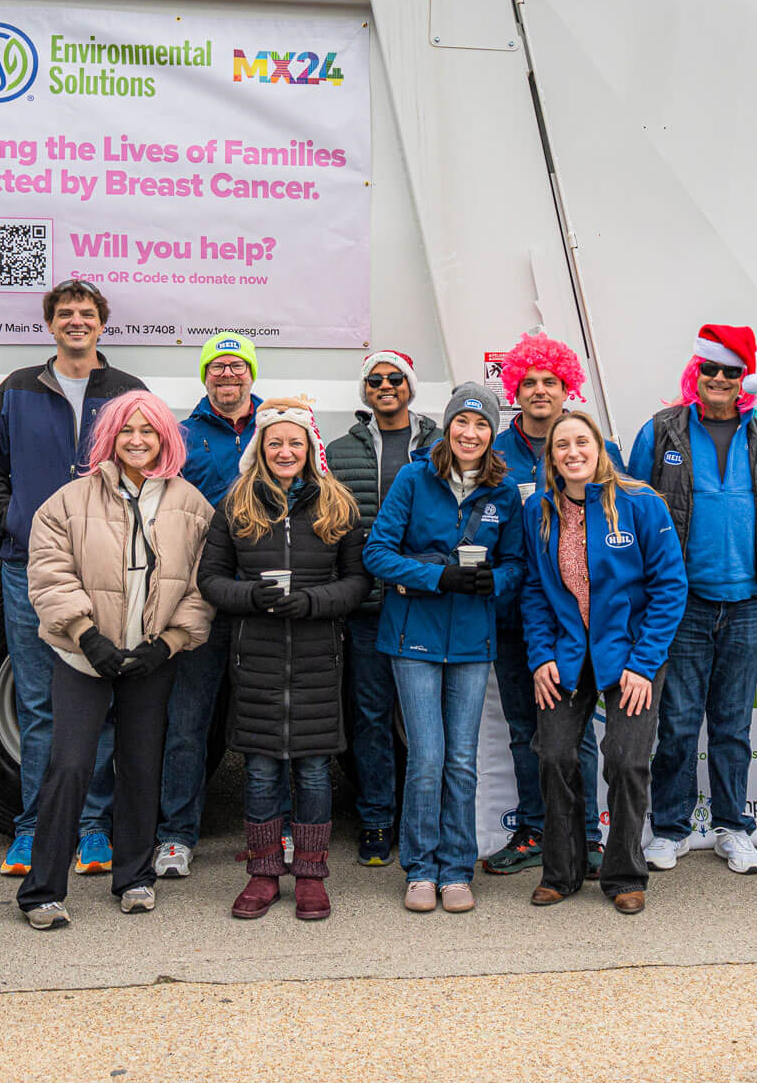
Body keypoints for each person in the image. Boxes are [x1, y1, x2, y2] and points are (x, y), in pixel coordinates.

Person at [16, 391, 214, 928]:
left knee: (141, 765)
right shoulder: (68, 502)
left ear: (165, 438)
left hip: (152, 658)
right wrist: (86, 636)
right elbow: (50, 573)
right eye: (126, 429)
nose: (137, 439)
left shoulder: (192, 505)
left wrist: (169, 642)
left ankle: (134, 877)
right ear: (110, 436)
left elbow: (203, 584)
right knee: (70, 764)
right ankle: (42, 890)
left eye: (148, 430)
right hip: (85, 658)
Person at [0, 280, 146, 879]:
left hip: (106, 569)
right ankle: (33, 828)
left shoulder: (127, 391)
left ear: (102, 324)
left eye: (87, 313)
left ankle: (93, 826)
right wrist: (15, 522)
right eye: (65, 313)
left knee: (100, 697)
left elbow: (151, 468)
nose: (76, 321)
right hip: (28, 566)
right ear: (50, 323)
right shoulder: (19, 388)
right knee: (37, 700)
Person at [198, 399, 370, 921]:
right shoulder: (236, 505)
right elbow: (210, 580)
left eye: (295, 442)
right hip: (257, 660)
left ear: (310, 448)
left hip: (318, 661)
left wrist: (313, 602)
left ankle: (311, 874)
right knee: (260, 772)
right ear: (261, 449)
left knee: (315, 772)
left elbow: (358, 582)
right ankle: (264, 872)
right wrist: (251, 596)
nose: (285, 451)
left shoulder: (338, 505)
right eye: (275, 442)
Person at [629, 323, 757, 875]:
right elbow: (634, 509)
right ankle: (670, 828)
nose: (719, 378)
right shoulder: (661, 430)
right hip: (683, 603)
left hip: (747, 604)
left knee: (732, 725)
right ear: (695, 373)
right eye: (710, 369)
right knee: (676, 723)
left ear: (746, 379)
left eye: (730, 371)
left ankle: (732, 827)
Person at [362, 384, 526, 913]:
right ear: (448, 425)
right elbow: (377, 553)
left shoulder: (504, 492)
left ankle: (456, 869)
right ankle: (420, 868)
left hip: (473, 640)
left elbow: (517, 566)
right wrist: (438, 576)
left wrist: (494, 581)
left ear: (492, 433)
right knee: (427, 756)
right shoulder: (414, 478)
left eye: (481, 425)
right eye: (462, 422)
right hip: (413, 636)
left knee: (460, 758)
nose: (470, 433)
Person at [522, 411, 687, 914]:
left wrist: (644, 663)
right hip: (567, 654)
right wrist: (541, 656)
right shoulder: (539, 511)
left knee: (626, 760)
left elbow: (669, 587)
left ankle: (623, 875)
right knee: (555, 757)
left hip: (631, 655)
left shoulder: (641, 502)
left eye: (581, 442)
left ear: (599, 448)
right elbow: (534, 590)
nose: (572, 452)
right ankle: (562, 871)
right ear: (551, 457)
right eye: (561, 445)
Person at [483, 331, 624, 878]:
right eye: (529, 382)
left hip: (576, 624)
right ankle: (535, 831)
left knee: (576, 731)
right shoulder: (493, 451)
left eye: (551, 381)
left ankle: (586, 834)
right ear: (514, 389)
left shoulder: (596, 449)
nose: (539, 390)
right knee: (526, 731)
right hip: (511, 617)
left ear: (569, 389)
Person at [154, 332, 265, 878]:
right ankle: (176, 835)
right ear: (205, 376)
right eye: (217, 367)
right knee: (188, 722)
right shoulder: (180, 436)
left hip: (264, 599)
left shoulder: (277, 427)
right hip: (201, 598)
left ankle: (273, 832)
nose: (227, 375)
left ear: (251, 374)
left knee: (267, 723)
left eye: (237, 366)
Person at [327, 350, 440, 868]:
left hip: (427, 605)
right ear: (365, 390)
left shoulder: (440, 444)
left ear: (410, 386)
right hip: (367, 606)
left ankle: (426, 818)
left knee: (424, 719)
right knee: (370, 716)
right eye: (375, 380)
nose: (386, 386)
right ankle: (376, 818)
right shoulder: (338, 451)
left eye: (396, 378)